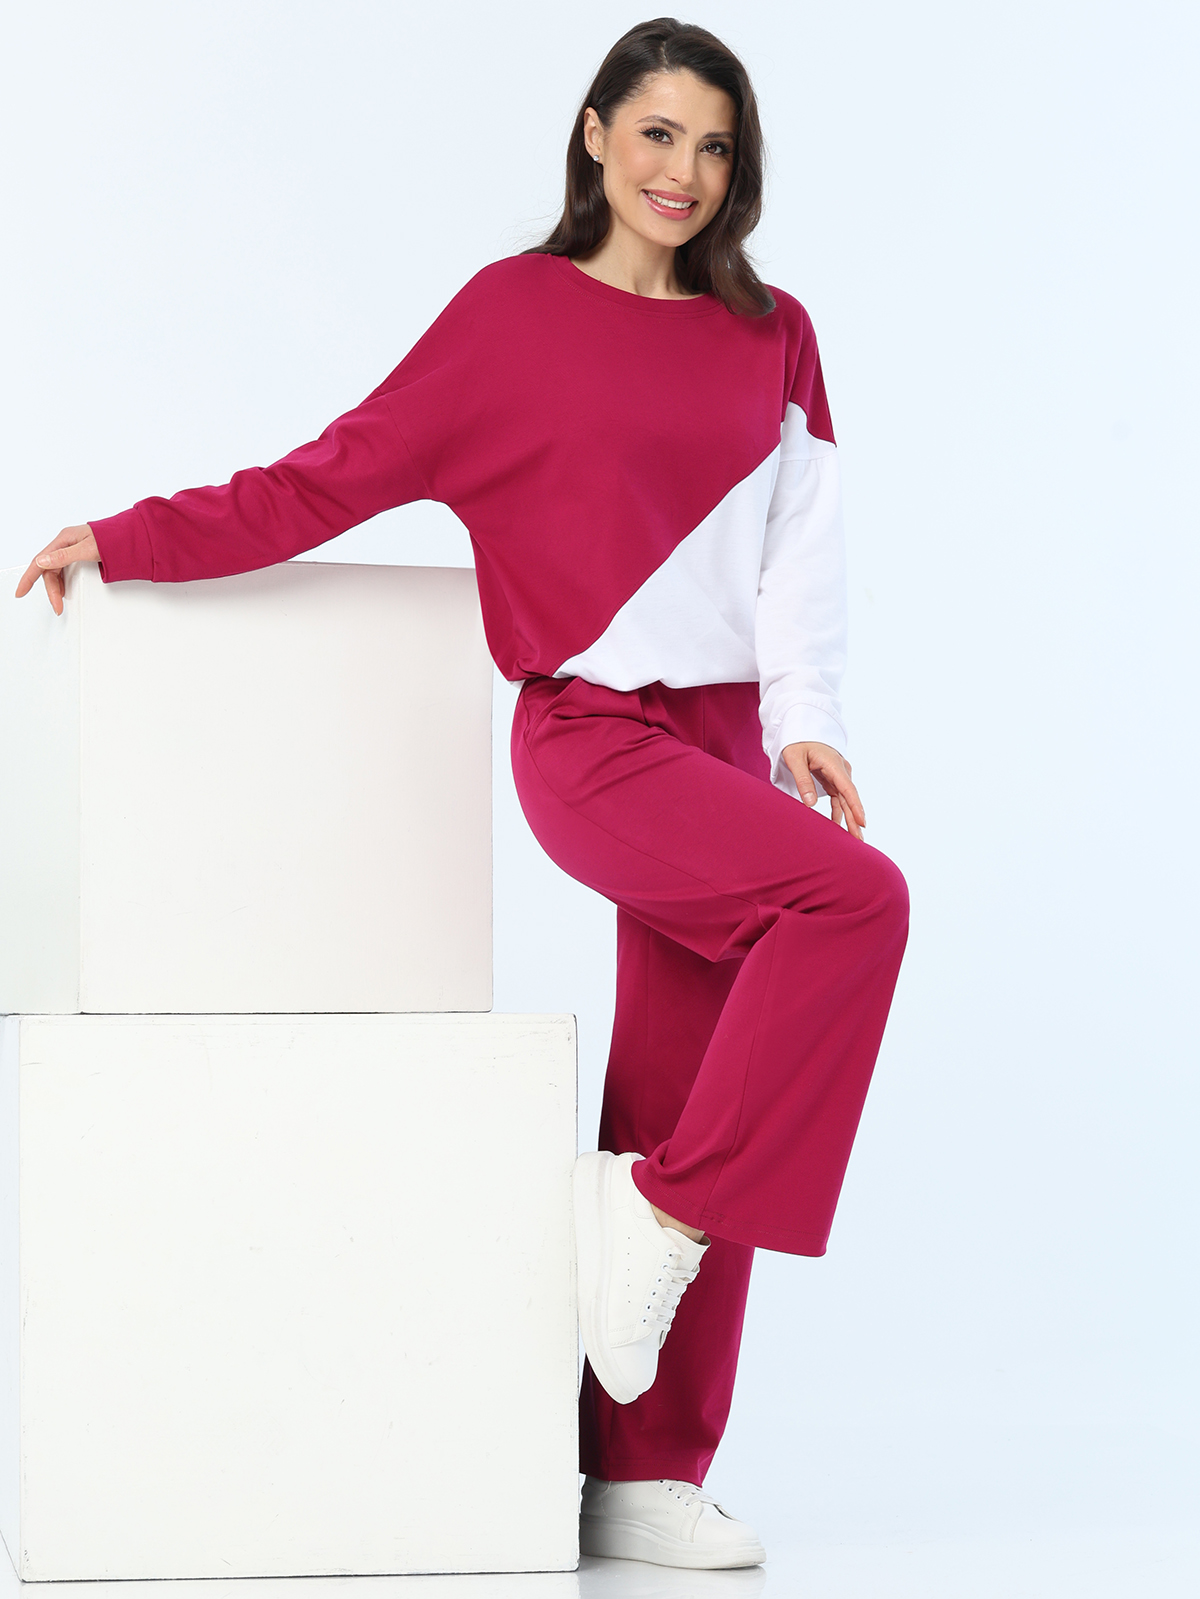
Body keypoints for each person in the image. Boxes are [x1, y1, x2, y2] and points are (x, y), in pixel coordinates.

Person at [17, 16, 909, 1573]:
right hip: (592, 740)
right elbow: (330, 476)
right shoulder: (512, 316)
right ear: (594, 134)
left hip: (720, 743)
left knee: (692, 1091)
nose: (684, 172)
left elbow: (799, 546)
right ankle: (664, 1213)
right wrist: (133, 535)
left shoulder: (773, 331)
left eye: (715, 147)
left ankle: (639, 1470)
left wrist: (804, 723)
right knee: (856, 908)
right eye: (656, 134)